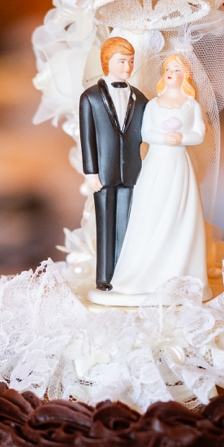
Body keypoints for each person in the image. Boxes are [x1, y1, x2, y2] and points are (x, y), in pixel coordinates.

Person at [108, 54, 208, 297]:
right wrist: (163, 138)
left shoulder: (191, 105)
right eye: (168, 68)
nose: (171, 72)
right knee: (152, 207)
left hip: (179, 164)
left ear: (185, 76)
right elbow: (146, 132)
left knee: (179, 209)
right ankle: (144, 273)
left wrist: (182, 138)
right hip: (157, 163)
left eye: (176, 68)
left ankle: (179, 273)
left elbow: (199, 133)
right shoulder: (154, 104)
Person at [78, 37, 149, 291]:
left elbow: (148, 131)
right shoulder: (90, 98)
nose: (128, 68)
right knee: (105, 225)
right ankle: (105, 278)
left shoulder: (140, 99)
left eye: (131, 62)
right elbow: (87, 138)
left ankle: (125, 275)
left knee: (127, 226)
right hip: (103, 173)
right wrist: (90, 171)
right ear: (107, 62)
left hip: (131, 172)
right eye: (122, 62)